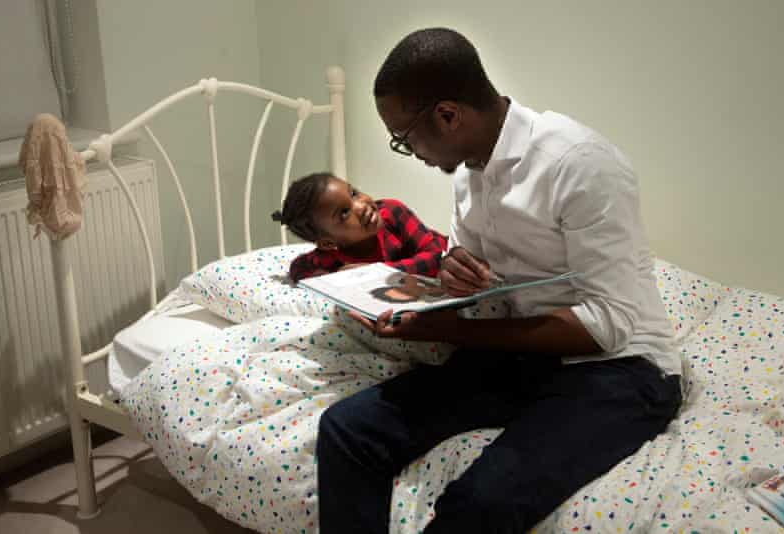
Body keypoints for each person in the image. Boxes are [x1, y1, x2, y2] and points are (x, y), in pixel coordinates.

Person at [315, 28, 684, 533]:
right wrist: (452, 273)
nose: (409, 150)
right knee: (346, 428)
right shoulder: (471, 171)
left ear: (448, 115)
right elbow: (476, 277)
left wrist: (443, 330)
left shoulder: (579, 166)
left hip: (623, 368)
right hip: (527, 358)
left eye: (404, 138)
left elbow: (609, 325)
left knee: (480, 503)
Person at [272, 172, 447, 282]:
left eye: (354, 193)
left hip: (456, 253)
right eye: (344, 213)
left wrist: (376, 273)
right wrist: (331, 279)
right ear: (327, 243)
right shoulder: (332, 256)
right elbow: (298, 267)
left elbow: (437, 257)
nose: (361, 206)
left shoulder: (392, 212)